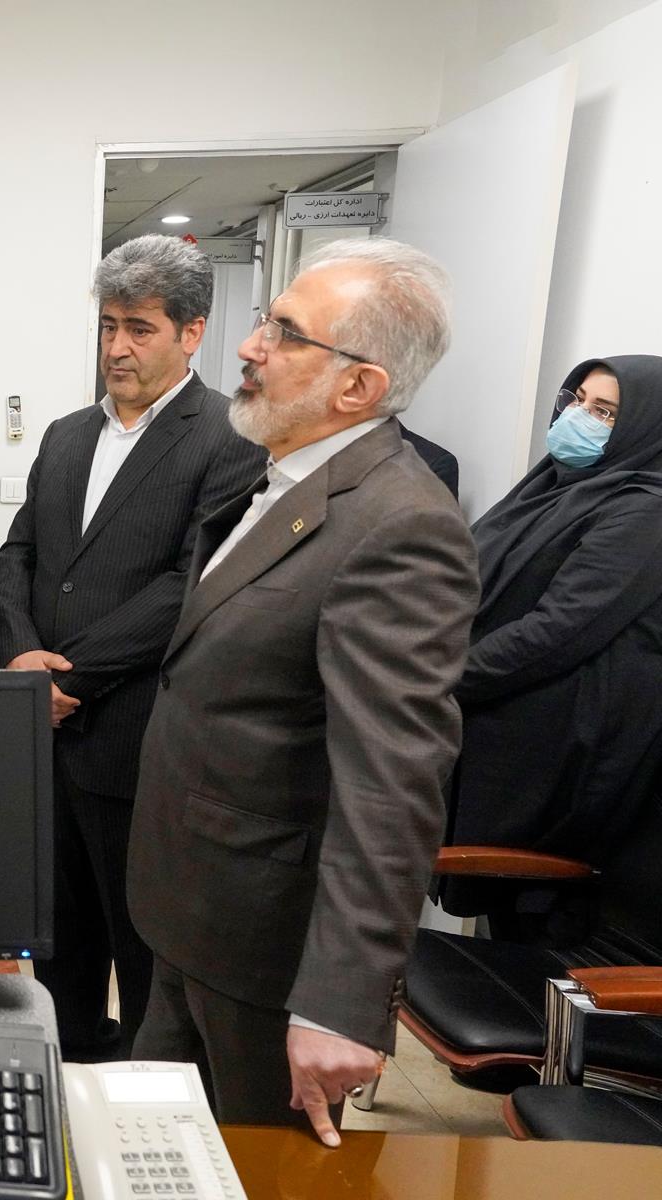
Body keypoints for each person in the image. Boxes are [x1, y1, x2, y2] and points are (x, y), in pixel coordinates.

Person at [126, 238, 479, 1145]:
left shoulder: (399, 527)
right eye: (266, 321)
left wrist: (341, 1001)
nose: (250, 346)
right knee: (164, 1151)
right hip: (190, 908)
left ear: (357, 385)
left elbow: (391, 785)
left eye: (285, 332)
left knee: (259, 1170)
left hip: (266, 950)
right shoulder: (287, 476)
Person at [0, 234, 264, 1058]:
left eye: (139, 328)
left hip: (135, 740)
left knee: (143, 955)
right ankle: (63, 1072)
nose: (116, 347)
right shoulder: (65, 435)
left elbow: (192, 582)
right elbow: (18, 556)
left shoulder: (229, 436)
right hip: (43, 741)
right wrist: (22, 659)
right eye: (108, 326)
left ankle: (142, 1104)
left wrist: (68, 677)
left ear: (192, 332)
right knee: (55, 946)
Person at [443, 356, 662, 926]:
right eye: (577, 400)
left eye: (605, 412)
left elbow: (559, 630)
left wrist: (438, 679)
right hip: (498, 722)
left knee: (533, 920)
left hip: (560, 756)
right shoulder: (549, 487)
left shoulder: (647, 511)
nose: (578, 417)